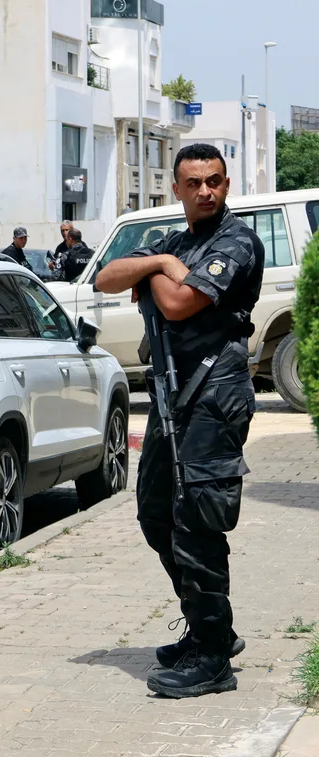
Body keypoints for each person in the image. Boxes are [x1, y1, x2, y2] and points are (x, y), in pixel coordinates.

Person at [95, 143, 264, 699]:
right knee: (154, 512)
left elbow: (176, 304)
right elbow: (106, 278)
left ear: (226, 183)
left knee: (199, 522)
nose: (205, 191)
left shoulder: (236, 242)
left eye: (214, 181)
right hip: (174, 403)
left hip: (215, 398)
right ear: (177, 189)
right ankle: (209, 625)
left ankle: (213, 658)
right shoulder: (178, 243)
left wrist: (162, 276)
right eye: (194, 183)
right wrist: (162, 262)